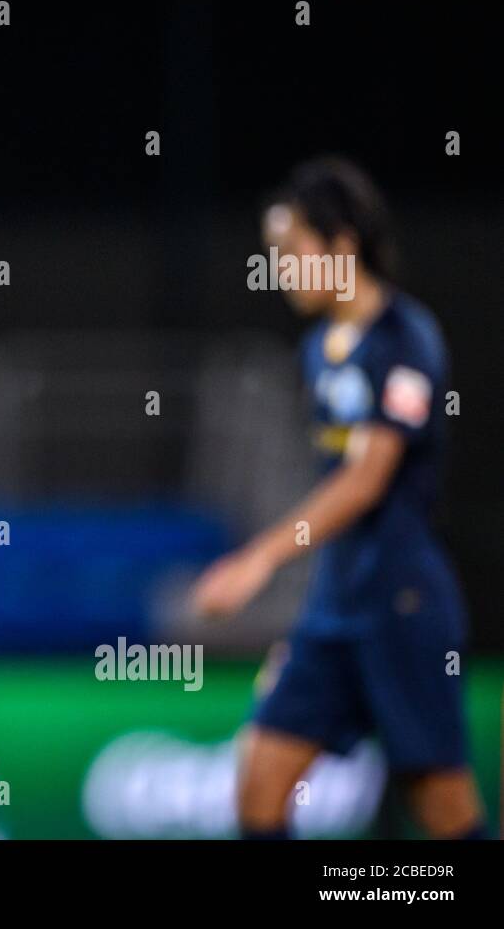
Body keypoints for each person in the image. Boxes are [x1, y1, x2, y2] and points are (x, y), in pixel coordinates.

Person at [191, 157, 487, 839]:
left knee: (444, 810)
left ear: (342, 246)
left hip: (402, 606)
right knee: (259, 780)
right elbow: (330, 491)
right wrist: (303, 619)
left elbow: (365, 479)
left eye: (292, 251)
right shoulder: (320, 349)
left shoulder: (407, 339)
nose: (280, 269)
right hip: (335, 608)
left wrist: (258, 561)